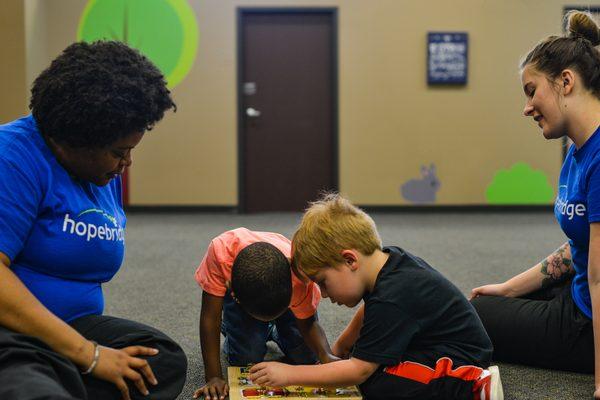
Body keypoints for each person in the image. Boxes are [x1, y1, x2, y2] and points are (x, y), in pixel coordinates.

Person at [0, 41, 187, 400]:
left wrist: (83, 350)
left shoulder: (101, 174)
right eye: (118, 153)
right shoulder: (13, 157)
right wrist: (90, 356)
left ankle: (55, 378)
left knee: (161, 360)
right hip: (11, 332)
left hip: (68, 331)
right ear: (74, 139)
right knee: (30, 380)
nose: (126, 164)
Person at [249, 194, 502, 400]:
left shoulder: (393, 295)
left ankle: (476, 386)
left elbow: (360, 370)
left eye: (323, 283)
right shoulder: (386, 262)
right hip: (429, 342)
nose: (322, 295)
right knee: (359, 359)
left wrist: (290, 375)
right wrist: (338, 350)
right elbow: (368, 311)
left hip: (459, 361)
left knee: (374, 382)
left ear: (350, 260)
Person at [470, 10, 600, 399]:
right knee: (482, 302)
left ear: (565, 81)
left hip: (586, 320)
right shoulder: (580, 150)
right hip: (578, 295)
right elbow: (580, 248)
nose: (527, 108)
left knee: (470, 318)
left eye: (531, 91)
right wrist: (509, 289)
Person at [193, 227, 336, 400]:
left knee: (306, 357)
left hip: (282, 289)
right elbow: (210, 318)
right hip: (239, 292)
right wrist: (213, 376)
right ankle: (232, 325)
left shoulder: (300, 278)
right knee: (246, 358)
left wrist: (325, 354)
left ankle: (272, 329)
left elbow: (309, 323)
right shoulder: (219, 253)